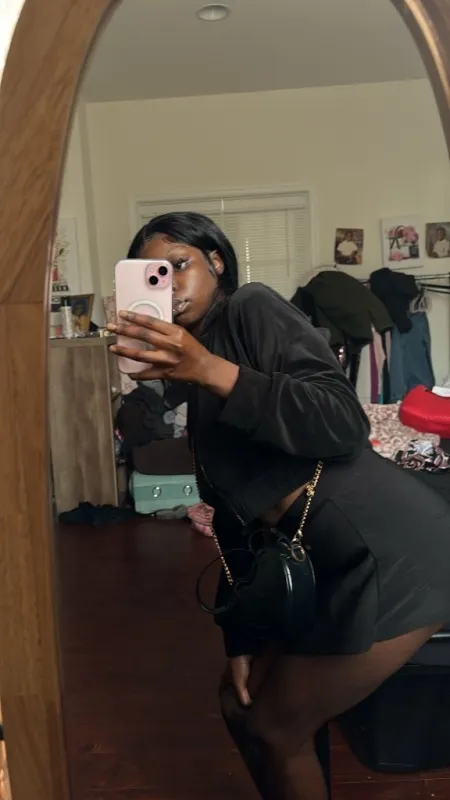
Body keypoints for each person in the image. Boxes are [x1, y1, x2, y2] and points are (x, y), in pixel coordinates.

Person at [107, 212, 450, 800]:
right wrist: (240, 635)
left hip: (396, 551)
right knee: (236, 702)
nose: (172, 285)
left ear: (217, 262)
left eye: (179, 265)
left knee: (275, 725)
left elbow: (341, 421)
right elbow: (232, 515)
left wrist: (209, 369)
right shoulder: (196, 371)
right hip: (321, 560)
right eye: (152, 276)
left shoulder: (251, 308)